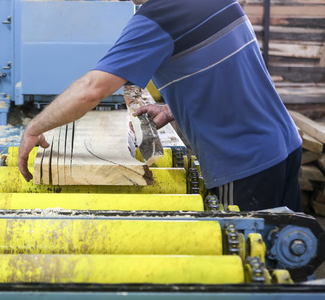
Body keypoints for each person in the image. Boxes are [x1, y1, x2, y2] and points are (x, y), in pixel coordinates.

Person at [18, 0, 302, 212]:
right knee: (292, 254)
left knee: (249, 269)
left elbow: (92, 89)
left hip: (244, 162)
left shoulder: (158, 16)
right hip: (284, 145)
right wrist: (170, 109)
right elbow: (228, 75)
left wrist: (35, 127)